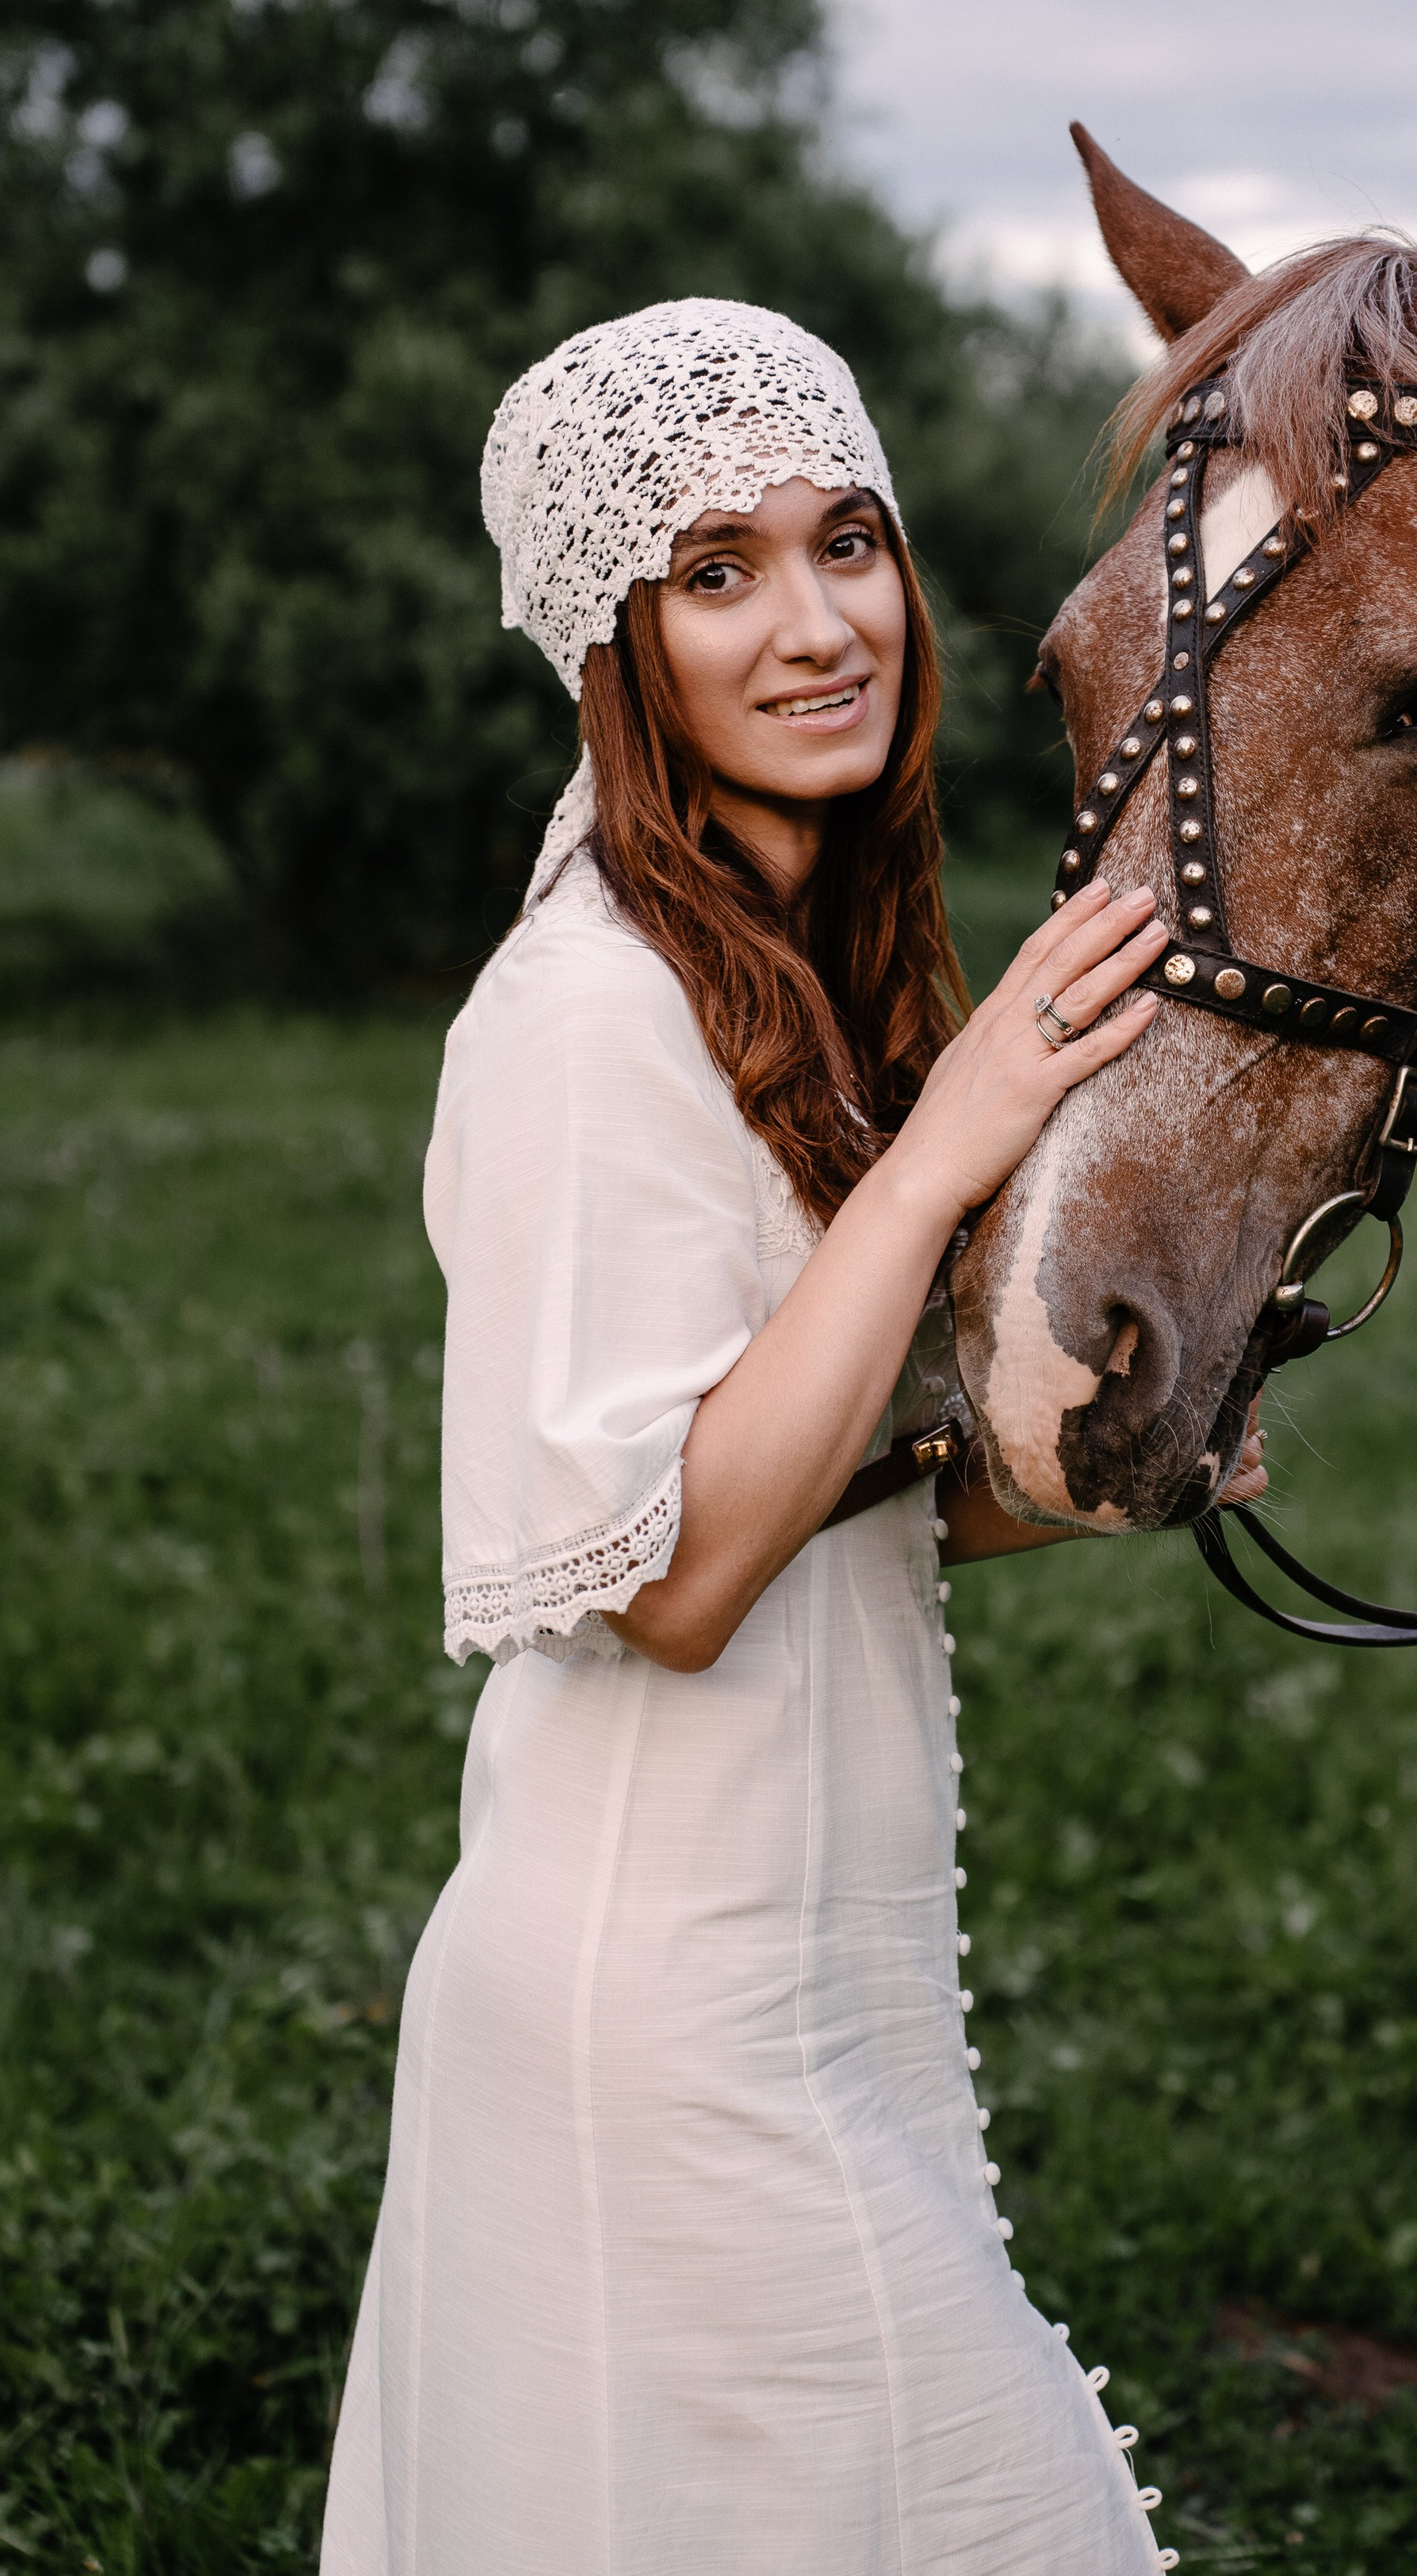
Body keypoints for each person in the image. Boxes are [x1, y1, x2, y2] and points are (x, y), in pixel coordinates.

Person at [323, 298, 1258, 2574]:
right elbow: (674, 1576)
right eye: (717, 569)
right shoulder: (583, 1017)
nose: (820, 621)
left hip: (809, 1999)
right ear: (611, 643)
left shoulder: (809, 978)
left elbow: (827, 1490)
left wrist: (1122, 1443)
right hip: (664, 2033)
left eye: (848, 540)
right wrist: (949, 1150)